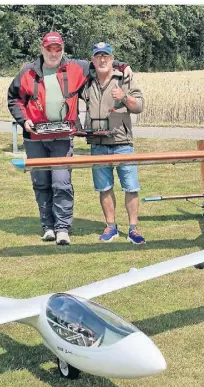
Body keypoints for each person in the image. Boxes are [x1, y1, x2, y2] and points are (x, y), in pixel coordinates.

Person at [8, 33, 131, 246]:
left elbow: (101, 62)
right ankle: (47, 226)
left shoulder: (76, 67)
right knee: (41, 183)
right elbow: (14, 99)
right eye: (50, 49)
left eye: (58, 49)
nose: (54, 53)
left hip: (63, 137)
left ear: (62, 49)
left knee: (61, 182)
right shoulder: (27, 72)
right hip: (35, 137)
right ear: (42, 49)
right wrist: (23, 120)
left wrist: (123, 65)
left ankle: (63, 228)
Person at [82, 42, 146, 244]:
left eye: (106, 56)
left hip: (122, 142)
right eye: (98, 56)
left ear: (112, 59)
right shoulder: (86, 81)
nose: (102, 60)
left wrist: (124, 97)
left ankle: (133, 229)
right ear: (93, 59)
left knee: (131, 187)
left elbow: (140, 106)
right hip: (97, 143)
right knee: (104, 187)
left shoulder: (124, 78)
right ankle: (111, 227)